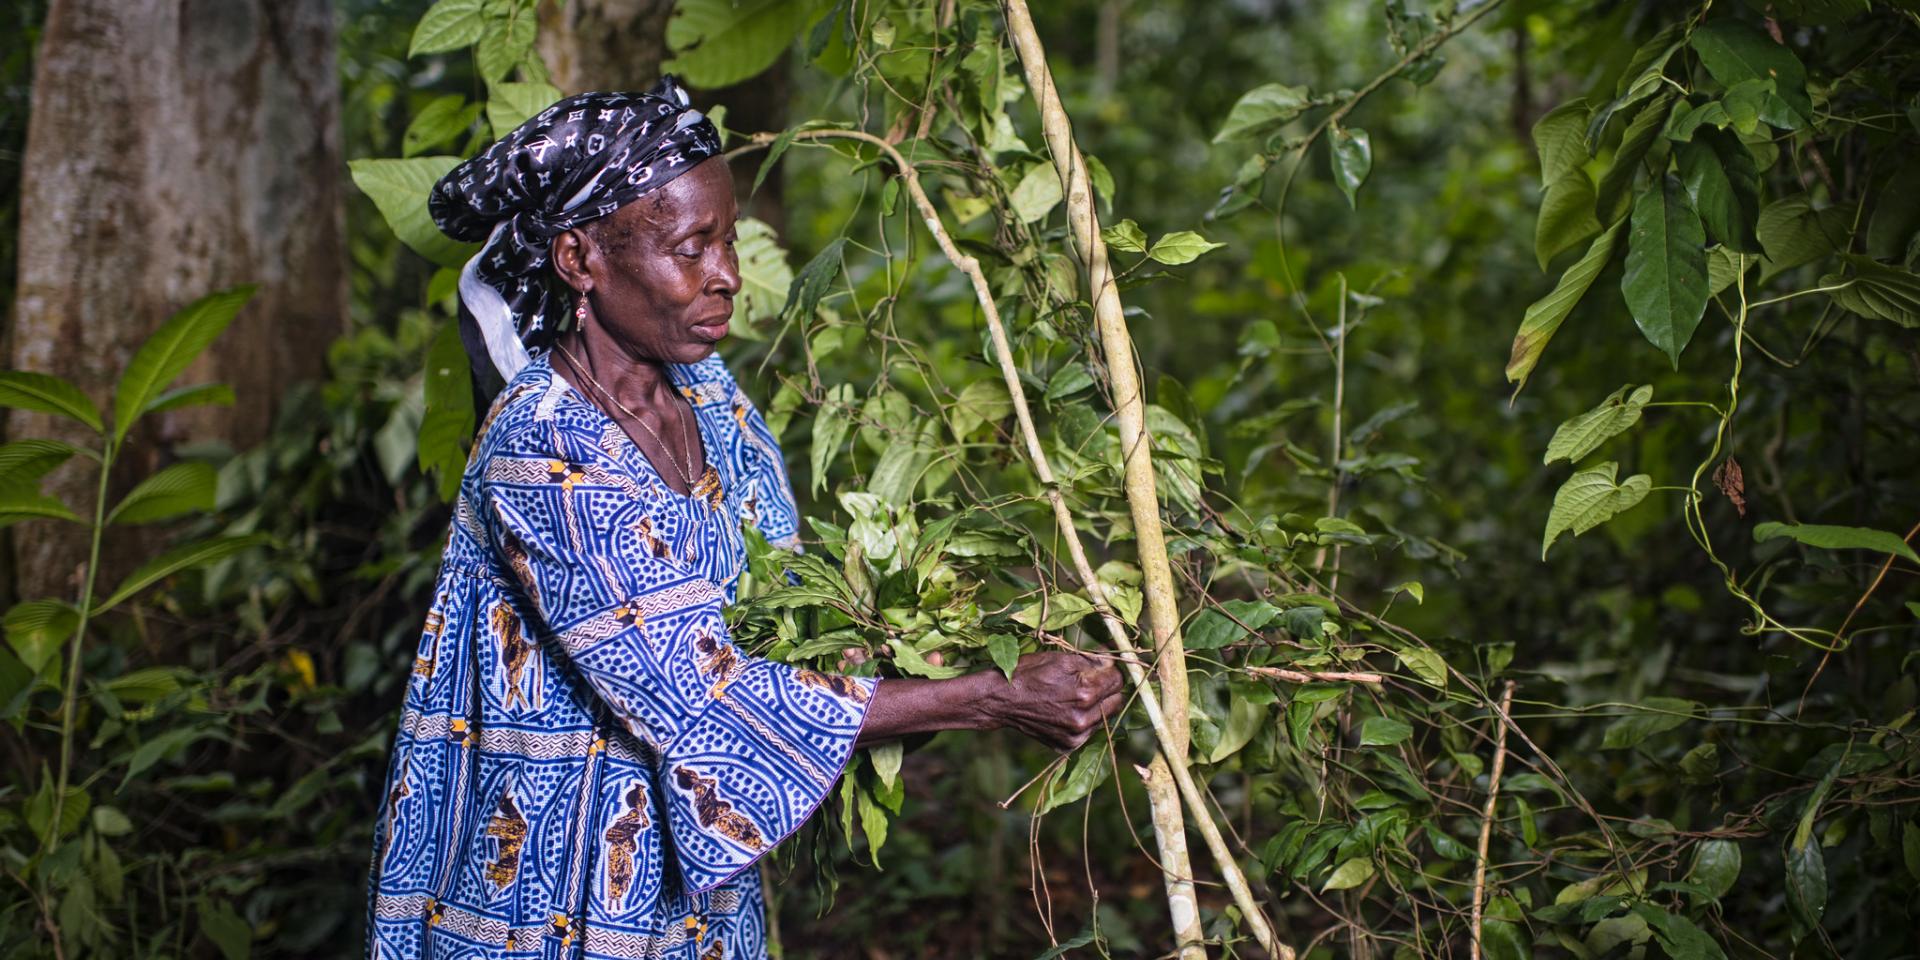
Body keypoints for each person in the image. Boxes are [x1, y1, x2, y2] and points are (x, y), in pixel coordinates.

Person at [364, 76, 1125, 960]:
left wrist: (930, 645)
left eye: (726, 240)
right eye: (692, 248)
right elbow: (704, 693)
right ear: (580, 260)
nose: (727, 275)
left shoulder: (712, 401)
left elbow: (787, 612)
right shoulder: (543, 448)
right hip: (545, 892)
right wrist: (992, 698)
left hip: (690, 906)